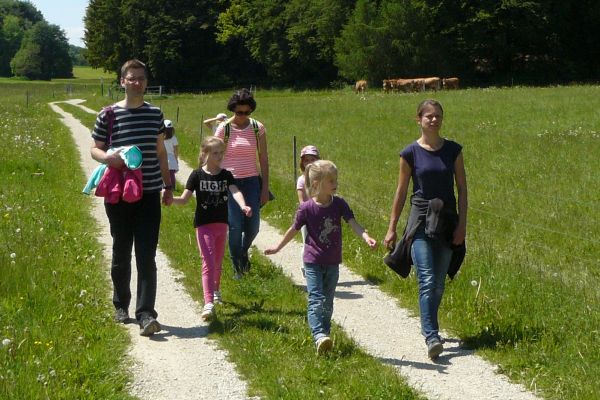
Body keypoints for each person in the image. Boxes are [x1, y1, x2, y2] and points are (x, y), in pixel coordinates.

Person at [90, 59, 174, 337]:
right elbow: (95, 148)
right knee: (121, 250)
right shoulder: (108, 114)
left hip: (149, 193)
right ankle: (120, 305)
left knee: (147, 254)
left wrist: (168, 185)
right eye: (131, 78)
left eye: (141, 78)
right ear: (122, 81)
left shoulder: (155, 114)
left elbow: (160, 152)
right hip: (119, 194)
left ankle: (146, 313)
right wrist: (108, 158)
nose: (136, 83)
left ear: (146, 82)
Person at [383, 99, 467, 360]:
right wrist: (392, 227)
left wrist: (462, 225)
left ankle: (431, 327)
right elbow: (401, 191)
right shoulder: (409, 153)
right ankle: (431, 335)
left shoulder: (453, 150)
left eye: (438, 115)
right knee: (427, 279)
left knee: (439, 283)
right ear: (418, 119)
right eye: (428, 115)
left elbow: (462, 189)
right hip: (420, 220)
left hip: (447, 220)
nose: (434, 119)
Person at [264, 160, 377, 354]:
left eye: (336, 180)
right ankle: (319, 335)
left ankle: (325, 335)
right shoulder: (306, 208)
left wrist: (366, 237)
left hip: (333, 262)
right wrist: (277, 247)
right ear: (316, 183)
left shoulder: (339, 204)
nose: (335, 183)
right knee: (316, 298)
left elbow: (353, 223)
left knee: (328, 300)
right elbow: (293, 230)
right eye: (331, 180)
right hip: (313, 261)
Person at [172, 137, 252, 321]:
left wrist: (243, 206)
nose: (219, 156)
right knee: (208, 262)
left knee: (217, 261)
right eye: (215, 153)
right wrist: (169, 199)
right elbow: (184, 199)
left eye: (221, 152)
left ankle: (216, 290)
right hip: (203, 225)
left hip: (221, 225)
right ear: (205, 154)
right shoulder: (196, 175)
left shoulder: (226, 175)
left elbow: (235, 191)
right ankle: (208, 303)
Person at [214, 88, 269, 278]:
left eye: (247, 112)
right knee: (235, 226)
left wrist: (265, 188)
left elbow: (263, 158)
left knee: (253, 226)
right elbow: (214, 156)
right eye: (239, 112)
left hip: (252, 182)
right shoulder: (224, 129)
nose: (243, 116)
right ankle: (237, 266)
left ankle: (243, 252)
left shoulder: (257, 128)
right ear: (233, 109)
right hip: (230, 183)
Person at [296, 145, 320, 276]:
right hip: (307, 216)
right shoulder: (302, 180)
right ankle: (307, 268)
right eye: (306, 160)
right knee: (308, 242)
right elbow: (302, 201)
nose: (310, 163)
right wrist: (308, 215)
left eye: (313, 159)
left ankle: (320, 266)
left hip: (321, 214)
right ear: (302, 163)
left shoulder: (322, 178)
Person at [163, 119, 179, 190]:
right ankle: (172, 187)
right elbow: (176, 150)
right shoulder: (174, 138)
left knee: (164, 173)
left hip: (163, 157)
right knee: (171, 174)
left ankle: (164, 186)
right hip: (171, 158)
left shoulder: (161, 138)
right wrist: (176, 159)